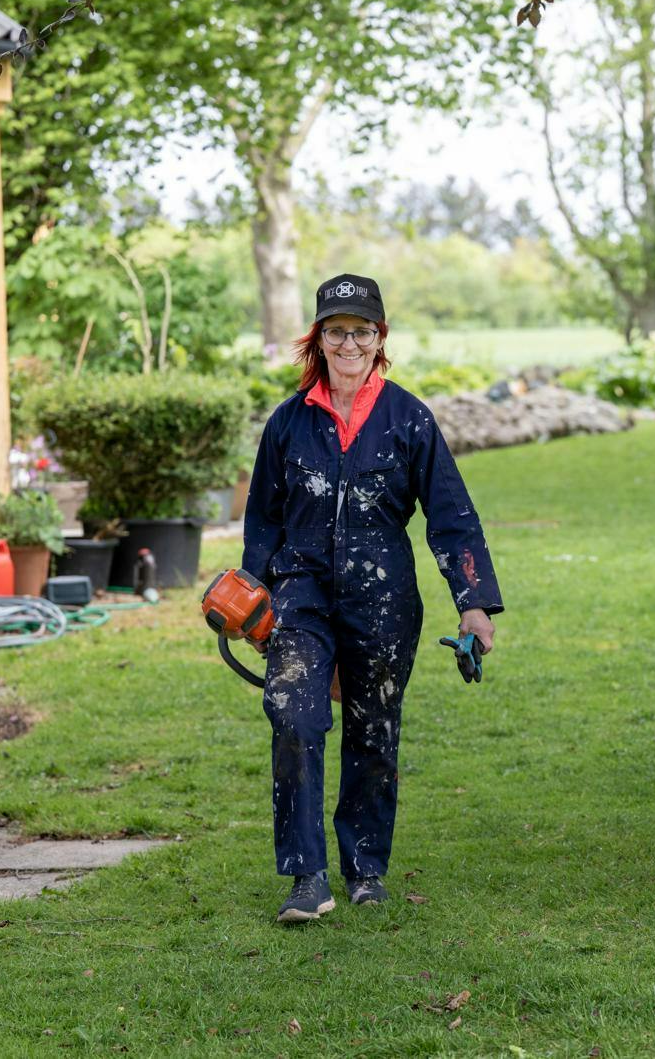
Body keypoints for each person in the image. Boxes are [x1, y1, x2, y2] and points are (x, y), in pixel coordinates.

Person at [242, 273, 502, 923]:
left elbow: (451, 516)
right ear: (319, 340)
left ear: (379, 338)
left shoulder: (409, 417)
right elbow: (262, 522)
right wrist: (250, 597)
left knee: (373, 732)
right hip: (299, 596)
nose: (349, 342)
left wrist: (473, 602)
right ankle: (307, 875)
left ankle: (365, 867)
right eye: (337, 331)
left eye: (362, 330)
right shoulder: (288, 423)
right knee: (294, 715)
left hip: (384, 599)